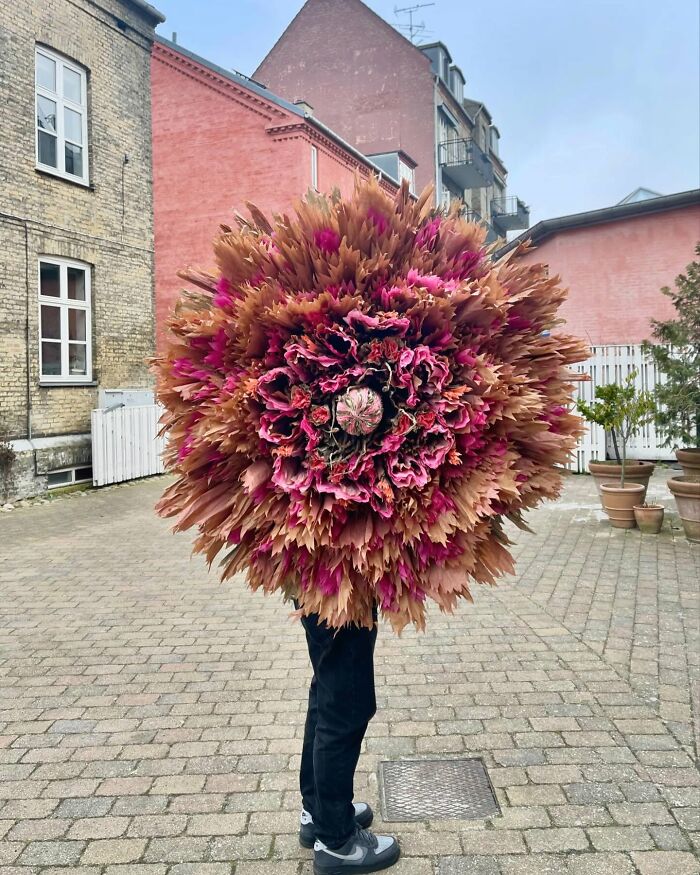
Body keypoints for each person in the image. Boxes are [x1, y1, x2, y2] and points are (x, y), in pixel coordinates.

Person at [295, 601, 400, 873]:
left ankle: (319, 812)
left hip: (318, 583)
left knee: (327, 691)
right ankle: (337, 842)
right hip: (340, 585)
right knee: (344, 704)